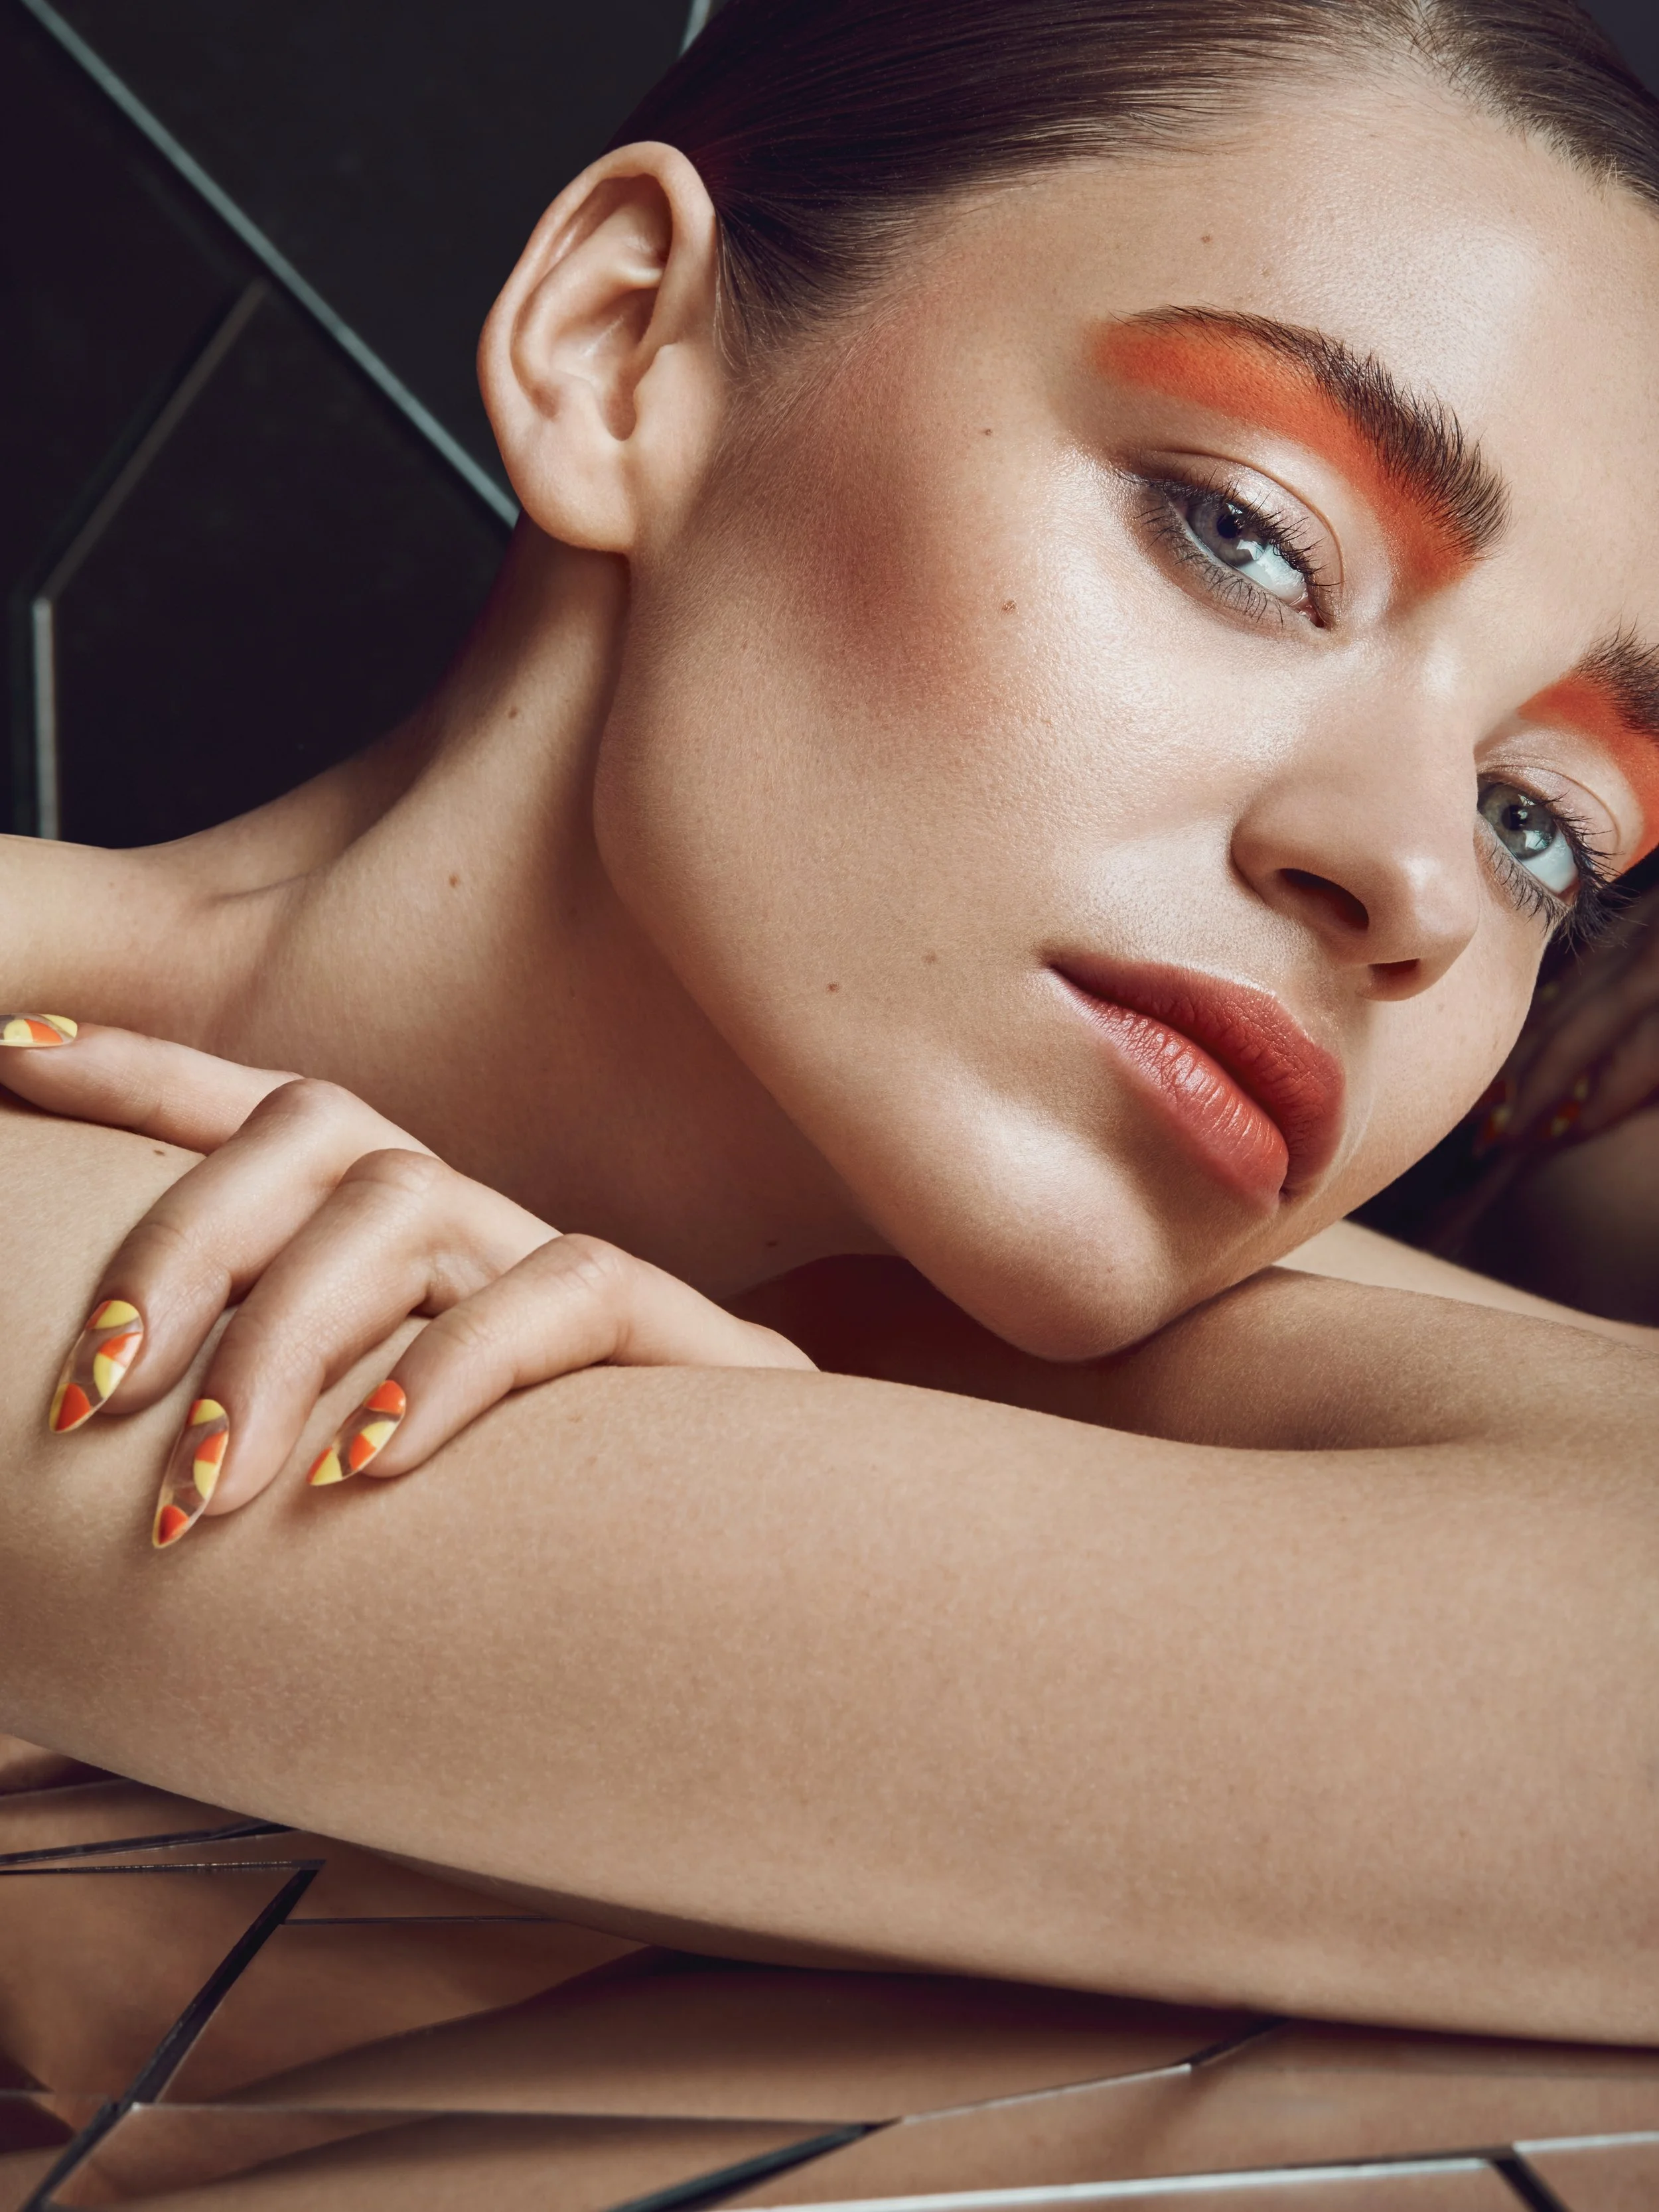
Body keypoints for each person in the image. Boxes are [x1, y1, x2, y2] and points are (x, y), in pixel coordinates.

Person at [1, 0, 1656, 2044]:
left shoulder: (993, 1334)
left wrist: (777, 1451)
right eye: (1242, 533)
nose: (1412, 879)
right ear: (621, 347)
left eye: (1537, 823)